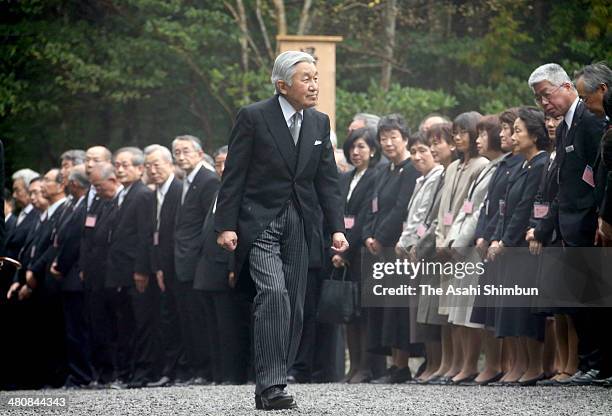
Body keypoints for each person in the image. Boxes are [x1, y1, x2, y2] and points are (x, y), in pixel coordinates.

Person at [215, 50, 348, 410]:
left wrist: (337, 227)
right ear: (282, 84)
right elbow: (234, 176)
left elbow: (327, 181)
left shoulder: (319, 123)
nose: (314, 85)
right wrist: (226, 225)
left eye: (316, 78)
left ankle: (272, 381)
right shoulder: (253, 117)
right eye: (306, 78)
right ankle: (272, 384)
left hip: (302, 223)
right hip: (259, 221)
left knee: (294, 306)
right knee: (273, 295)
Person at [528, 63, 606, 386]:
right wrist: (547, 226)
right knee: (578, 300)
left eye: (547, 94)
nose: (545, 103)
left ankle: (599, 364)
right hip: (567, 225)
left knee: (593, 299)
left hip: (589, 223)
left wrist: (601, 216)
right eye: (539, 99)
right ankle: (589, 363)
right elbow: (562, 183)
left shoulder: (590, 121)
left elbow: (599, 174)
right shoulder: (563, 128)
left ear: (566, 87)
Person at [445, 114, 504, 384]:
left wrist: (459, 241)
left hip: (476, 244)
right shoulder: (487, 167)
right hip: (461, 242)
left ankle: (479, 365)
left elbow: (479, 211)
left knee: (472, 311)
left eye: (479, 134)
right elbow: (465, 208)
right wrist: (450, 240)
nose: (477, 139)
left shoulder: (486, 165)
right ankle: (463, 365)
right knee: (458, 310)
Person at [362, 114, 420, 384]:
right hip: (378, 248)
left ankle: (402, 365)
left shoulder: (410, 170)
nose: (388, 143)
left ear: (405, 139)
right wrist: (367, 236)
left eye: (393, 137)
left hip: (398, 248)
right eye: (383, 138)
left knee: (399, 306)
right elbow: (372, 206)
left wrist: (381, 237)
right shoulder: (383, 171)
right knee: (385, 306)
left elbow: (401, 209)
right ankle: (391, 365)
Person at [432, 112, 488, 385]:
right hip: (446, 242)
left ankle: (469, 364)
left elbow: (471, 208)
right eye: (455, 132)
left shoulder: (481, 165)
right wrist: (441, 239)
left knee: (464, 309)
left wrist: (455, 241)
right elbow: (444, 210)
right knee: (449, 310)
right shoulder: (452, 167)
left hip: (465, 246)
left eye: (463, 132)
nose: (457, 137)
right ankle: (453, 364)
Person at [332, 127, 381, 383]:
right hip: (344, 250)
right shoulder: (346, 177)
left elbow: (363, 216)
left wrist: (347, 247)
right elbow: (339, 212)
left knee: (364, 311)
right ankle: (353, 367)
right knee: (348, 311)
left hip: (362, 252)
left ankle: (366, 366)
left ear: (373, 150)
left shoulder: (375, 176)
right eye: (352, 147)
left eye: (362, 146)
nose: (356, 151)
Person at [106, 147, 156, 388]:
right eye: (118, 165)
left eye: (126, 165)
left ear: (139, 168)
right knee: (124, 323)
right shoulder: (122, 194)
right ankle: (125, 372)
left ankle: (141, 373)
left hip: (135, 270)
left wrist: (142, 269)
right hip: (119, 271)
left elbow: (145, 235)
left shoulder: (143, 194)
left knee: (141, 323)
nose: (120, 169)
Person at [173, 135, 219, 385]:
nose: (181, 157)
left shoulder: (208, 179)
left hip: (199, 261)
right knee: (189, 320)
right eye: (177, 152)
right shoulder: (185, 181)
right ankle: (196, 369)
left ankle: (206, 370)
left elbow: (207, 224)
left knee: (201, 320)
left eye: (186, 151)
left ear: (200, 153)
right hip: (183, 261)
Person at [143, 144, 187, 387]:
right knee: (167, 319)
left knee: (180, 318)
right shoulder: (153, 194)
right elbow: (155, 233)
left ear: (170, 165)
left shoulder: (179, 190)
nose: (152, 170)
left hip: (178, 263)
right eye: (148, 166)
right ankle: (169, 370)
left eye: (157, 164)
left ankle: (181, 369)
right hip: (162, 266)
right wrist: (157, 266)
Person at [50, 165, 95, 388]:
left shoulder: (84, 205)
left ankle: (83, 374)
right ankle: (78, 373)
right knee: (73, 330)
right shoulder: (74, 205)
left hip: (75, 275)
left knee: (79, 329)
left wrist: (61, 265)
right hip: (69, 276)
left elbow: (74, 240)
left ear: (75, 184)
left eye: (67, 180)